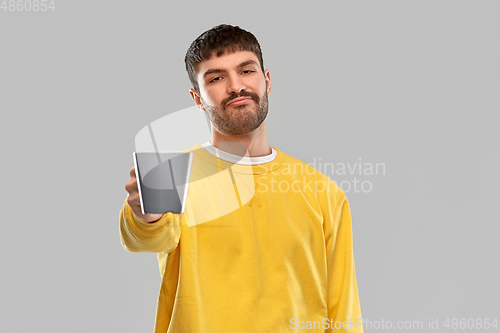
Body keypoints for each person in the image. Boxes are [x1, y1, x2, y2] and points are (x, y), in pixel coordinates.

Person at [120, 24, 363, 332]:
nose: (236, 86)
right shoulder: (172, 175)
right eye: (217, 78)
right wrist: (146, 215)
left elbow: (344, 311)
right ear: (197, 98)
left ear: (267, 81)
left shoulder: (322, 191)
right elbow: (145, 237)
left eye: (246, 71)